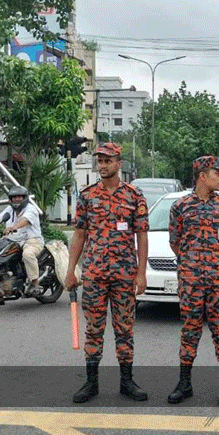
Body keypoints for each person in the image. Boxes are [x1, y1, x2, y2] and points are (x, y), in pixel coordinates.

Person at [66, 142, 149, 403]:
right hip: (94, 274)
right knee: (93, 329)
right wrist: (71, 270)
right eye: (100, 161)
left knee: (125, 329)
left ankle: (127, 381)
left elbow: (142, 236)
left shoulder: (134, 196)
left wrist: (141, 273)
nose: (102, 165)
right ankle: (91, 383)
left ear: (119, 164)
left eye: (108, 161)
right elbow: (80, 234)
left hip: (124, 275)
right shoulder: (88, 196)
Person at [167, 156, 219, 407]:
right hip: (190, 280)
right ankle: (184, 383)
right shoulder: (181, 206)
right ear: (202, 176)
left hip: (218, 280)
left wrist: (215, 260)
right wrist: (193, 263)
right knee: (190, 331)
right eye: (217, 173)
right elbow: (175, 243)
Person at [0, 186, 45, 297]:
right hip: (13, 240)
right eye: (14, 197)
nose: (17, 199)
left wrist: (14, 227)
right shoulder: (9, 210)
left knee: (27, 254)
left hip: (32, 240)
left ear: (24, 198)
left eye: (19, 197)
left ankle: (34, 283)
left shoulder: (31, 209)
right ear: (10, 199)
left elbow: (25, 221)